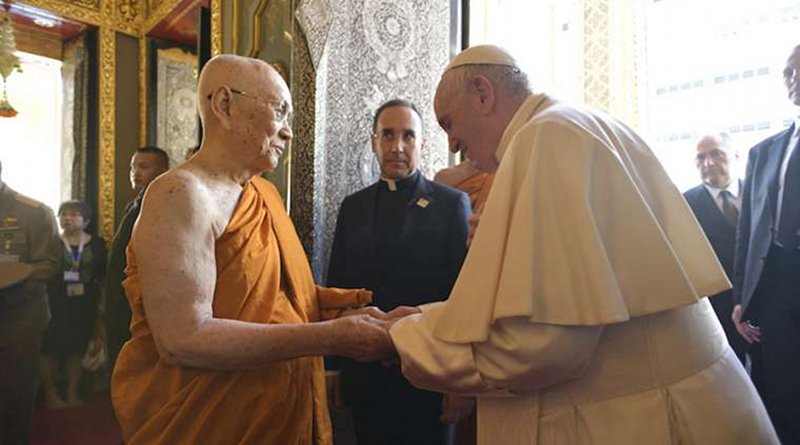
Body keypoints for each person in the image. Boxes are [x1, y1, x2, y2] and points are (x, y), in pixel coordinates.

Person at [385, 45, 778, 444]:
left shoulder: (546, 135)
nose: (452, 142)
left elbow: (542, 344)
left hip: (648, 418)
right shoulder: (577, 122)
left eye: (448, 122)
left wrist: (396, 338)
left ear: (483, 93)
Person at [111, 54, 392, 444]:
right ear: (225, 105)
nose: (288, 132)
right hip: (210, 422)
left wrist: (341, 310)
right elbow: (183, 339)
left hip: (276, 410)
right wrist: (332, 336)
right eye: (280, 111)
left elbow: (272, 294)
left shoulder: (264, 194)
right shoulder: (181, 194)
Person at [327, 98, 471, 444]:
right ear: (374, 141)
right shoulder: (353, 207)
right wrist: (330, 366)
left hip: (428, 374)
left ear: (422, 143)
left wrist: (459, 380)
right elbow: (336, 288)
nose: (397, 146)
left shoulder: (451, 205)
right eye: (388, 135)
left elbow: (463, 297)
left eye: (408, 136)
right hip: (365, 377)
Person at [733, 43, 800, 444]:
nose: (794, 78)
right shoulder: (765, 152)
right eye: (788, 72)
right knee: (780, 394)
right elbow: (748, 232)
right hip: (774, 289)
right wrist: (742, 297)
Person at [0, 161, 60, 444]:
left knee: (13, 396)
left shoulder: (33, 212)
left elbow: (48, 264)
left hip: (17, 319)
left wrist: (9, 277)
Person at [683, 133, 748, 364]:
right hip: (716, 311)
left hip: (763, 302)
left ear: (736, 155)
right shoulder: (683, 204)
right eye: (700, 158)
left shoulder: (759, 192)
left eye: (716, 154)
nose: (708, 163)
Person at [39, 200, 107, 408]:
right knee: (48, 347)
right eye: (63, 214)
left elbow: (102, 276)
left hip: (83, 303)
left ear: (85, 220)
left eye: (74, 214)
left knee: (77, 346)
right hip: (54, 301)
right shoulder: (51, 242)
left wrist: (101, 307)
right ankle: (50, 394)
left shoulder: (96, 244)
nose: (67, 218)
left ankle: (72, 392)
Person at [105, 146, 168, 368]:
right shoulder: (132, 206)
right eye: (133, 167)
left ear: (163, 171)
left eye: (143, 167)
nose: (135, 173)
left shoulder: (165, 207)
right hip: (119, 295)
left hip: (142, 299)